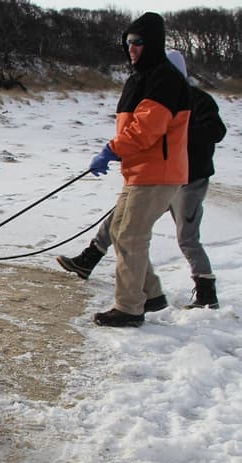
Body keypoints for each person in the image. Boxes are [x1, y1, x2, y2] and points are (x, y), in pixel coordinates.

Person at [58, 49, 226, 312]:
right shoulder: (151, 95)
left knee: (186, 237)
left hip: (189, 181)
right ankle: (90, 259)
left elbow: (216, 130)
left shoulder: (198, 99)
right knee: (121, 222)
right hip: (155, 174)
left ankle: (205, 291)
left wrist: (175, 137)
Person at [78, 12, 191, 328]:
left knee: (130, 236)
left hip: (159, 173)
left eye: (138, 42)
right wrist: (116, 153)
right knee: (118, 231)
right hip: (140, 170)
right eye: (128, 42)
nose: (132, 48)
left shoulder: (164, 79)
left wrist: (111, 150)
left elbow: (146, 129)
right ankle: (150, 294)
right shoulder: (142, 76)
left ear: (152, 43)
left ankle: (128, 308)